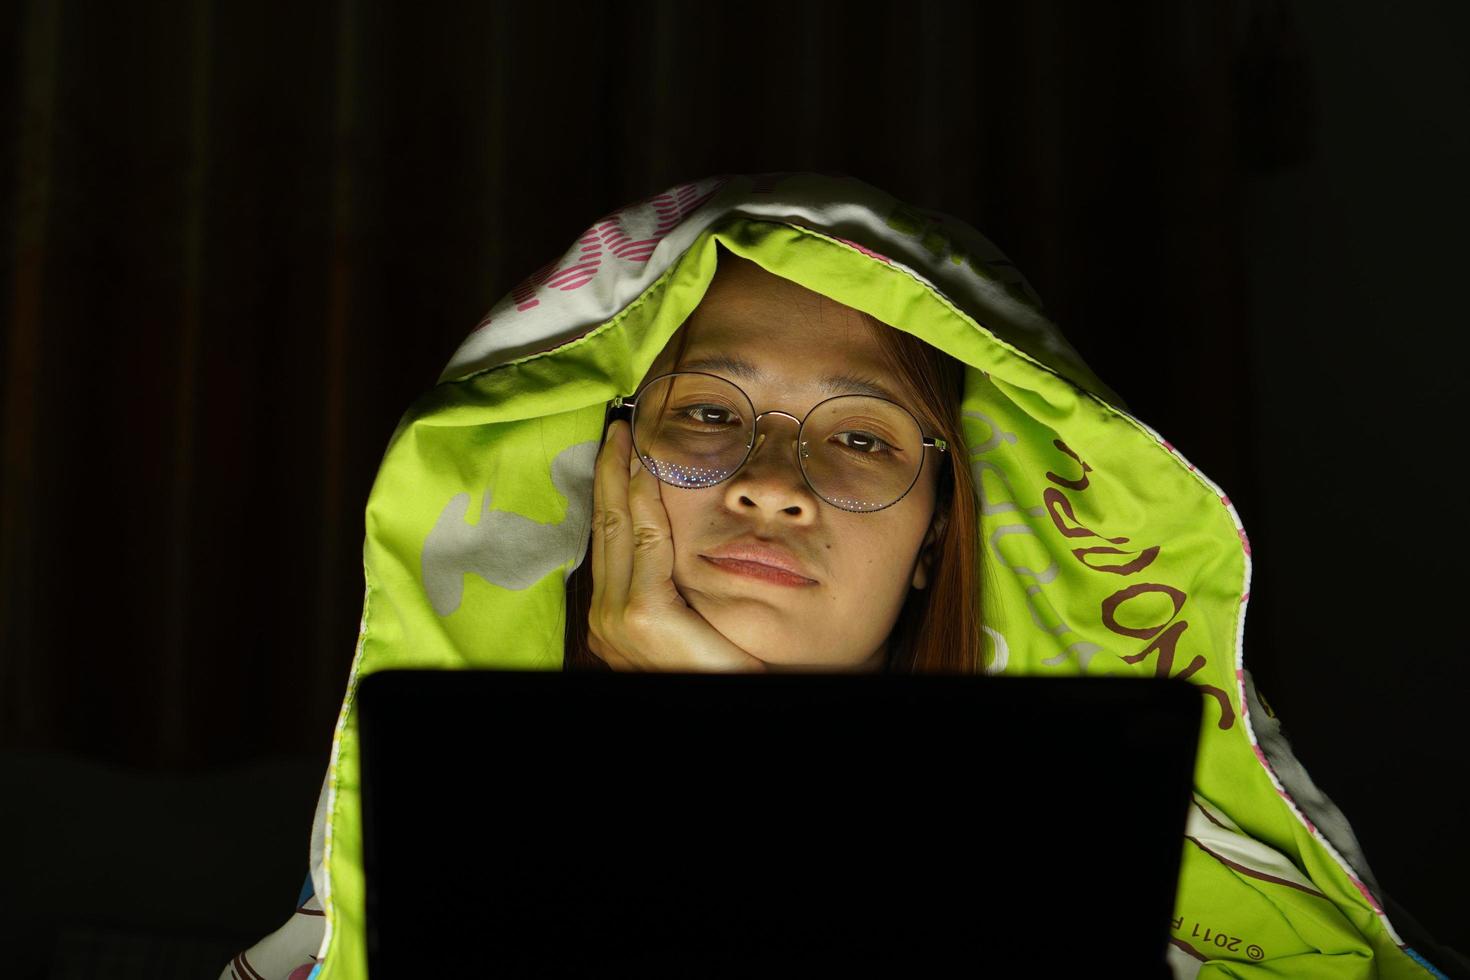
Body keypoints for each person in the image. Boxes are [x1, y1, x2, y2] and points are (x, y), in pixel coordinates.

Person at [222, 171, 1455, 979]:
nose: (774, 480)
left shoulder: (1089, 881)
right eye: (710, 413)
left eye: (861, 435)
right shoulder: (441, 840)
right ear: (601, 474)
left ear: (936, 533)